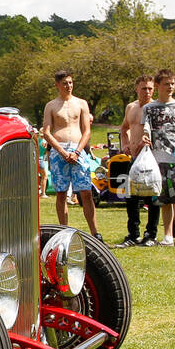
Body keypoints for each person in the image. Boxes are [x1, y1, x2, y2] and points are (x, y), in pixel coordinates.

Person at [42, 70, 99, 238]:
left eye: (70, 82)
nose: (69, 86)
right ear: (57, 85)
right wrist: (61, 151)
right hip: (59, 150)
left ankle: (95, 232)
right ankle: (63, 231)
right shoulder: (51, 105)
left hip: (77, 148)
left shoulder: (81, 103)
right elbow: (46, 131)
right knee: (61, 192)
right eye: (65, 83)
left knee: (86, 192)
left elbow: (87, 131)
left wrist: (77, 151)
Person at [140, 69, 175, 246]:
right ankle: (167, 235)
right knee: (163, 200)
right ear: (158, 86)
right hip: (156, 160)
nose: (170, 87)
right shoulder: (148, 108)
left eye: (172, 84)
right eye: (166, 84)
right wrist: (144, 137)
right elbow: (145, 129)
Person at [115, 73, 159, 247]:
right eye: (144, 88)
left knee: (153, 196)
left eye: (150, 88)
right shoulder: (131, 107)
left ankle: (151, 234)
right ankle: (133, 234)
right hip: (133, 157)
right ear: (136, 89)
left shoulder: (155, 107)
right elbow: (124, 127)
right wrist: (125, 143)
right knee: (131, 197)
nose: (147, 92)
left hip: (150, 157)